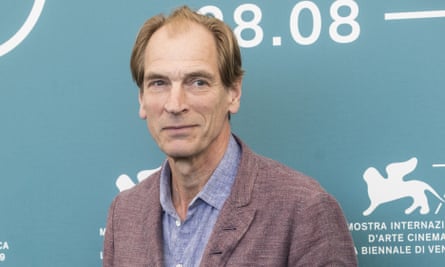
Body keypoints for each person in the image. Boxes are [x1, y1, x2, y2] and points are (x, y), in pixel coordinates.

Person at [103, 5, 357, 267]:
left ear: (233, 93)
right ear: (142, 99)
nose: (175, 104)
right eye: (159, 83)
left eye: (198, 82)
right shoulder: (124, 214)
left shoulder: (305, 210)